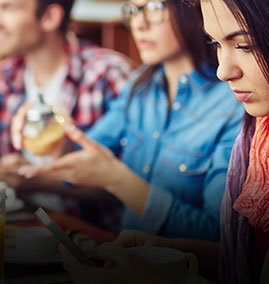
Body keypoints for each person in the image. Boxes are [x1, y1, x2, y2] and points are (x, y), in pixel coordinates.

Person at [45, 0, 269, 284]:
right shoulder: (262, 135)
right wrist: (176, 252)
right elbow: (255, 260)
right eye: (216, 43)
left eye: (244, 45)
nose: (223, 71)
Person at [14, 0, 244, 240]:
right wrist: (46, 123)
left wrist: (118, 180)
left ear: (194, 10)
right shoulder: (139, 88)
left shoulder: (232, 103)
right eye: (133, 10)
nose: (139, 24)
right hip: (124, 262)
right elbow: (86, 154)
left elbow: (218, 236)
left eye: (154, 8)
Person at [0, 0, 135, 229]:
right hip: (21, 230)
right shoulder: (6, 75)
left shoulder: (108, 74)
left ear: (50, 17)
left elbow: (130, 188)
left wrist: (39, 181)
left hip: (90, 240)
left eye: (8, 8)